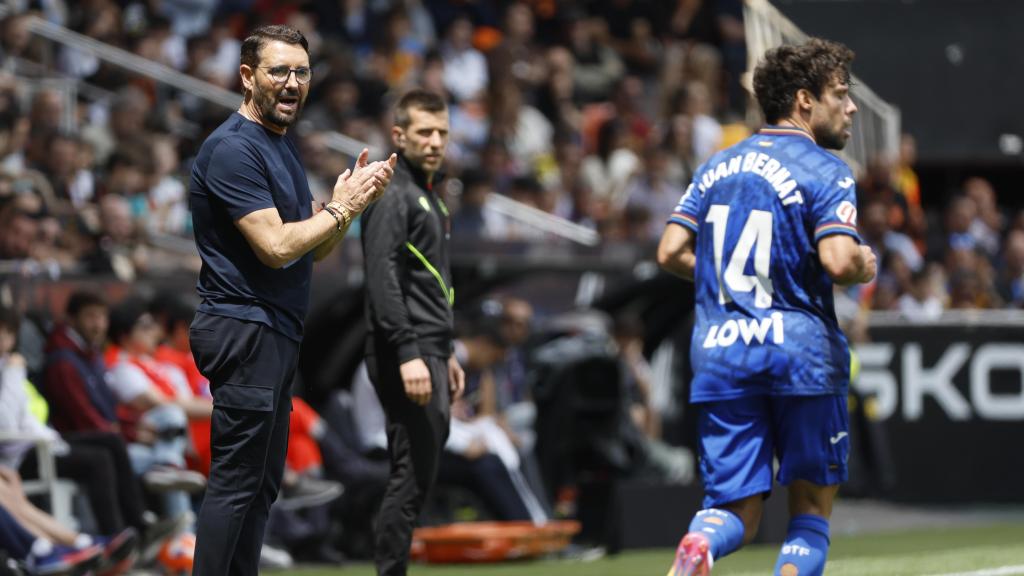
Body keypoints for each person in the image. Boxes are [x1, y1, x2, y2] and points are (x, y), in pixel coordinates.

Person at [657, 38, 877, 576]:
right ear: (804, 100)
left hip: (722, 353)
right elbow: (837, 259)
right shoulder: (825, 169)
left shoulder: (717, 166)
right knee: (810, 507)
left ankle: (701, 547)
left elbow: (668, 252)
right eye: (840, 95)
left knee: (734, 511)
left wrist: (730, 276)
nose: (850, 108)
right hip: (800, 354)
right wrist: (864, 263)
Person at [187, 24, 396, 576]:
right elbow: (277, 247)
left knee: (260, 486)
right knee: (237, 482)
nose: (293, 82)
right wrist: (338, 211)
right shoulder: (233, 148)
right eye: (279, 70)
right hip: (243, 326)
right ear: (248, 77)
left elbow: (311, 253)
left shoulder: (280, 147)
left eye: (301, 72)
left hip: (272, 330)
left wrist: (348, 204)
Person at [361, 88, 465, 576]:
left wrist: (447, 353)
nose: (435, 141)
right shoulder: (392, 193)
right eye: (425, 131)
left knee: (419, 475)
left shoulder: (430, 198)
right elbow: (381, 275)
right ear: (398, 135)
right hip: (406, 350)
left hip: (430, 350)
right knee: (411, 475)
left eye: (442, 132)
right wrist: (408, 351)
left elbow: (432, 284)